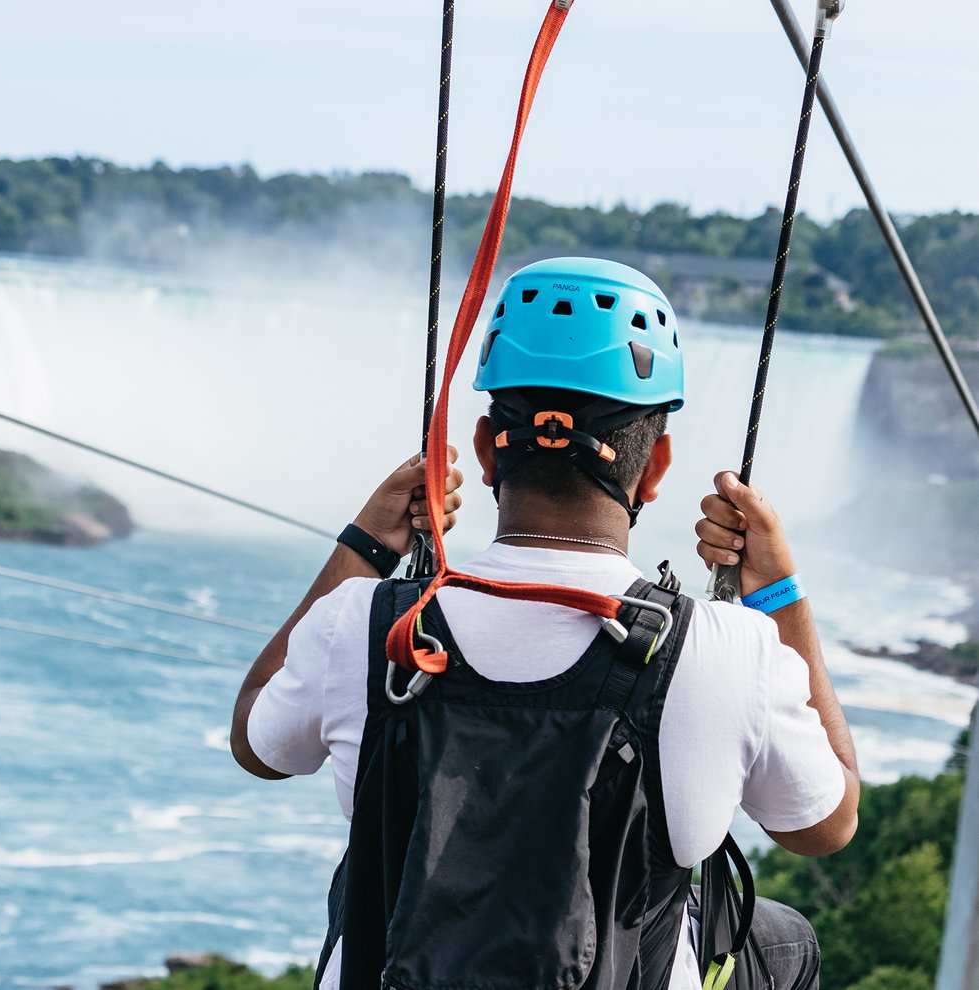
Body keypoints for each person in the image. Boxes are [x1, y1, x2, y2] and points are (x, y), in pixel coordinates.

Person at [231, 258, 859, 990]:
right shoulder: (728, 652)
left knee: (359, 892)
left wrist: (366, 546)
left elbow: (257, 743)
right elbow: (827, 824)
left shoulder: (363, 625)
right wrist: (779, 593)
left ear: (487, 448)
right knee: (784, 943)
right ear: (656, 467)